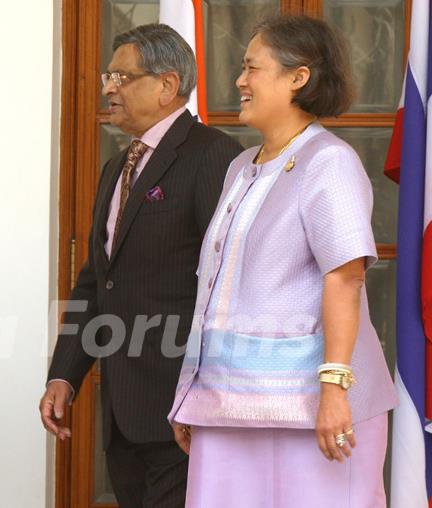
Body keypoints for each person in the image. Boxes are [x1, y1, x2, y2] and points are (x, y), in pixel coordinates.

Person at [168, 15, 398, 508]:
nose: (240, 81)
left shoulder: (328, 162)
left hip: (314, 411)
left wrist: (335, 392)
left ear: (299, 77)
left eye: (252, 67)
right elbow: (216, 295)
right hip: (227, 410)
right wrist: (191, 394)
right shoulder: (240, 166)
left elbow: (346, 275)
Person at [39, 23, 243, 506]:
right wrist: (63, 374)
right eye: (109, 76)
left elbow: (228, 284)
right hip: (122, 410)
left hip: (184, 407)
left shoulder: (214, 156)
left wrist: (206, 394)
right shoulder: (116, 166)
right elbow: (97, 279)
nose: (109, 88)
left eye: (121, 77)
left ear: (167, 85)